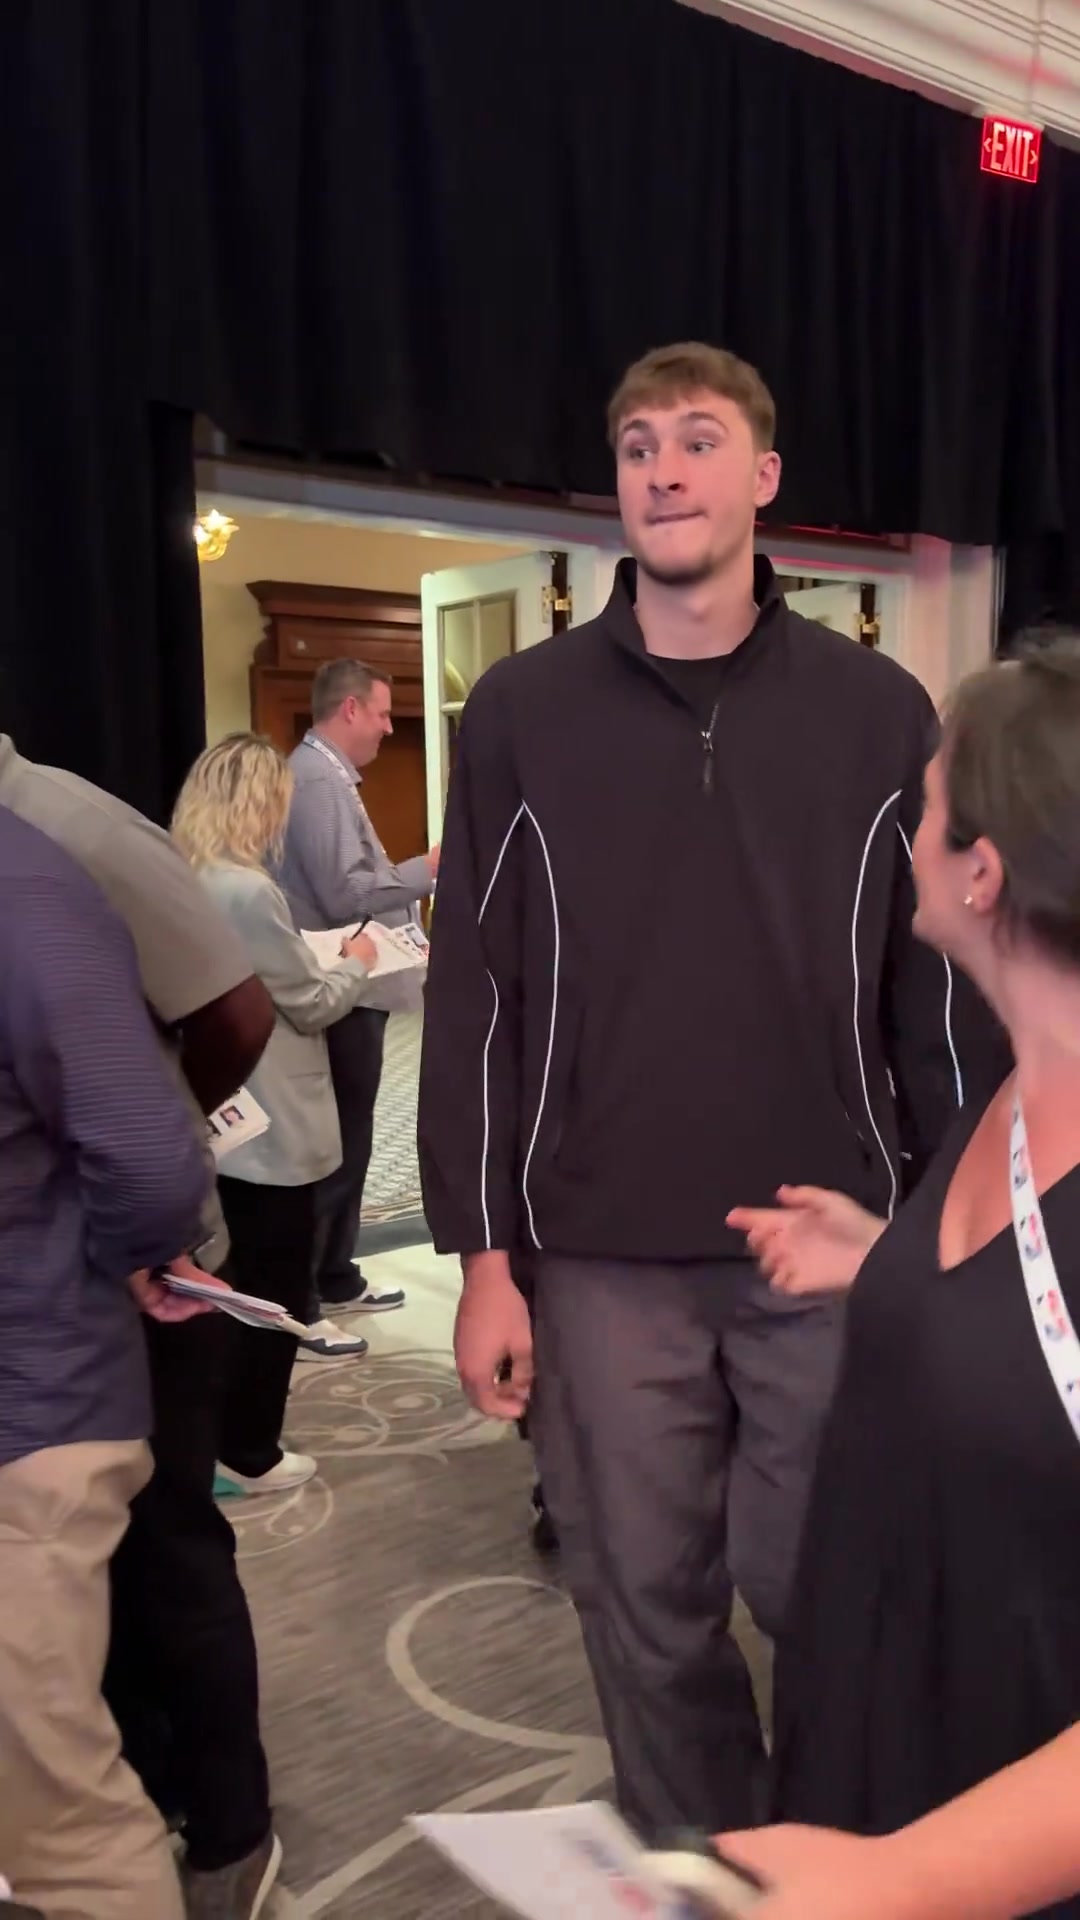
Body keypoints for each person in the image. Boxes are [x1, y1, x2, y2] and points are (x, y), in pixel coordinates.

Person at [418, 341, 1002, 1840]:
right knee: (645, 1610)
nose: (664, 471)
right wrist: (483, 1262)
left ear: (764, 477)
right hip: (598, 1255)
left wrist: (946, 1239)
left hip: (827, 1240)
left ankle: (839, 1865)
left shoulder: (878, 710)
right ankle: (701, 1875)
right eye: (637, 447)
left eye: (696, 440)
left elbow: (934, 1003)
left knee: (834, 1594)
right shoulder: (522, 712)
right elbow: (478, 996)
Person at [720, 643, 1080, 1920]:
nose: (904, 840)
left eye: (924, 809)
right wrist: (889, 1267)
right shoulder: (1014, 1089)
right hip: (889, 1730)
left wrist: (906, 1878)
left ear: (982, 869)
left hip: (1002, 1833)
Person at [0, 734, 280, 1918]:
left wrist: (128, 1215)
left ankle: (228, 1830)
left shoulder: (52, 846)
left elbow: (237, 1020)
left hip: (109, 1299)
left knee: (164, 1562)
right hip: (81, 1296)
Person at [173, 734, 381, 1491]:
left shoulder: (183, 874)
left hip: (220, 1112)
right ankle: (250, 1450)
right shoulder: (250, 890)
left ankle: (217, 1436)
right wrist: (356, 964)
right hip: (273, 1118)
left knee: (232, 1279)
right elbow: (310, 1003)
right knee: (275, 1289)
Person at [278, 659, 439, 1320]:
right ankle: (309, 1290)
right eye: (382, 712)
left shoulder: (328, 775)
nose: (388, 726)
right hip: (341, 987)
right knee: (339, 1142)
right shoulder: (317, 779)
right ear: (349, 710)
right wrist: (429, 868)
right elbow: (346, 892)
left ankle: (335, 1275)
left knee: (352, 1138)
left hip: (353, 987)